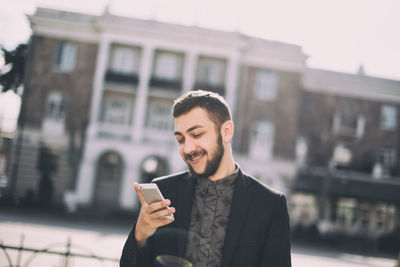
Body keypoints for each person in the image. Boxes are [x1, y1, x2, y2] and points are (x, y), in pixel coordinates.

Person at [120, 90, 291, 267]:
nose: (187, 149)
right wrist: (140, 235)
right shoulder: (165, 192)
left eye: (196, 135)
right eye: (180, 139)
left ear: (226, 131)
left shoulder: (270, 204)